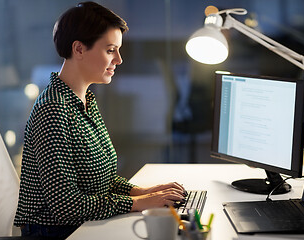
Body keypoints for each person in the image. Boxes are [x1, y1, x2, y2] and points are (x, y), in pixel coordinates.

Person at [14, 2, 186, 239]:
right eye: (110, 50)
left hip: (84, 225)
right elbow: (66, 207)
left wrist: (144, 192)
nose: (119, 59)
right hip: (58, 232)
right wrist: (137, 203)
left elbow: (99, 179)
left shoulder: (85, 101)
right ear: (79, 49)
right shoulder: (53, 109)